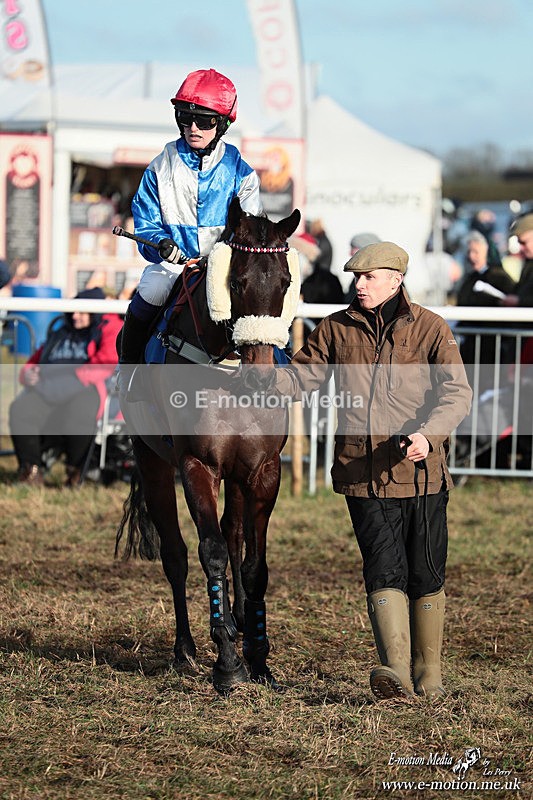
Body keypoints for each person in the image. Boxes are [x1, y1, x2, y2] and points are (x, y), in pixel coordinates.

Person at [267, 242, 472, 700]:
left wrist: (428, 435)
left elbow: (456, 394)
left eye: (369, 277)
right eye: (355, 278)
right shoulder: (336, 329)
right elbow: (301, 379)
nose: (359, 285)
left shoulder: (431, 329)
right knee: (383, 569)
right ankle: (395, 671)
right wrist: (259, 375)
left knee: (426, 571)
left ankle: (430, 675)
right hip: (363, 475)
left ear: (396, 280)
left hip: (422, 474)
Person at [119, 68, 263, 365]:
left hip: (225, 268)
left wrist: (221, 258)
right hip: (174, 267)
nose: (193, 127)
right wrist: (160, 243)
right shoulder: (160, 167)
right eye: (185, 117)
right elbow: (145, 223)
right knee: (152, 289)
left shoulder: (241, 172)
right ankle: (129, 370)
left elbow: (251, 229)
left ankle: (280, 374)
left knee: (263, 298)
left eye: (205, 120)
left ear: (221, 124)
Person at [9, 288, 121, 486]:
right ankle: (31, 471)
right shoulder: (60, 333)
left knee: (78, 411)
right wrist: (27, 374)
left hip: (86, 387)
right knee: (21, 409)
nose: (75, 316)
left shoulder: (103, 329)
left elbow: (108, 361)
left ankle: (77, 471)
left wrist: (74, 377)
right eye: (73, 312)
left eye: (81, 312)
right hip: (47, 387)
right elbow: (34, 361)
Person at [456, 230, 516, 381]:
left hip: (492, 346)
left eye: (476, 252)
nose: (471, 256)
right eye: (469, 251)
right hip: (471, 345)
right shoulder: (469, 279)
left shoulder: (500, 277)